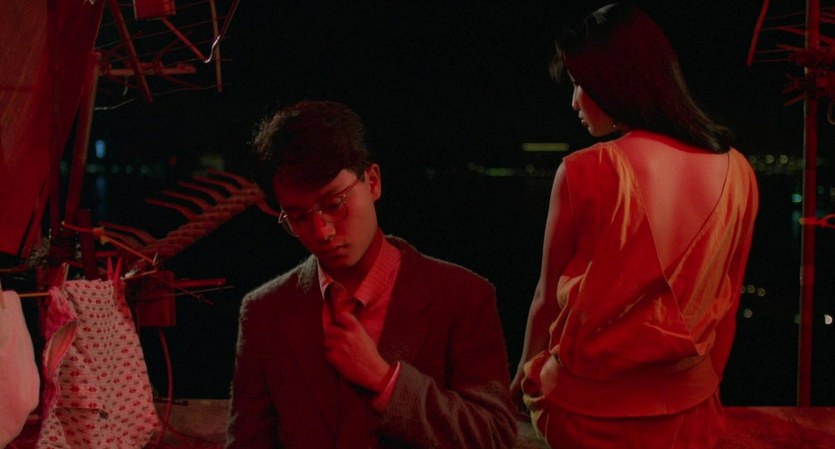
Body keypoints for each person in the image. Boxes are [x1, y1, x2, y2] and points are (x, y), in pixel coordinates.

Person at [510, 3, 759, 449]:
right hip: (688, 416)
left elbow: (545, 299)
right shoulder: (739, 171)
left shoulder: (586, 169)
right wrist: (701, 393)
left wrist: (522, 377)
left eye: (580, 84)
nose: (574, 101)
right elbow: (728, 299)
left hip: (584, 417)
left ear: (616, 82)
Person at [225, 100, 517, 449]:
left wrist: (385, 380)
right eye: (299, 218)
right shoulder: (265, 312)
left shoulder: (462, 297)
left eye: (334, 204)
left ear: (373, 182)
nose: (322, 232)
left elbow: (494, 435)